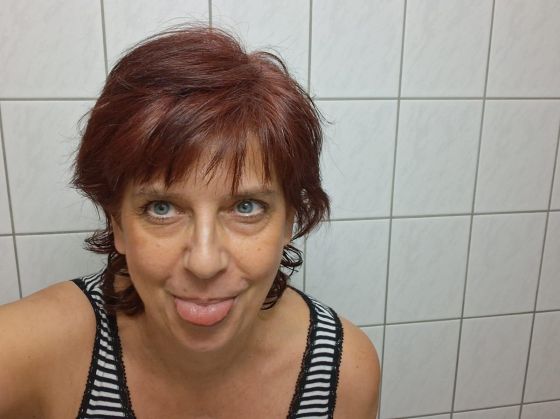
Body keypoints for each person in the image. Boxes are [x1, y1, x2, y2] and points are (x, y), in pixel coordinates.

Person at [0, 26, 380, 418]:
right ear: (118, 224)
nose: (204, 263)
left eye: (246, 207)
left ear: (289, 221)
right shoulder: (27, 354)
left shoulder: (342, 372)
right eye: (162, 208)